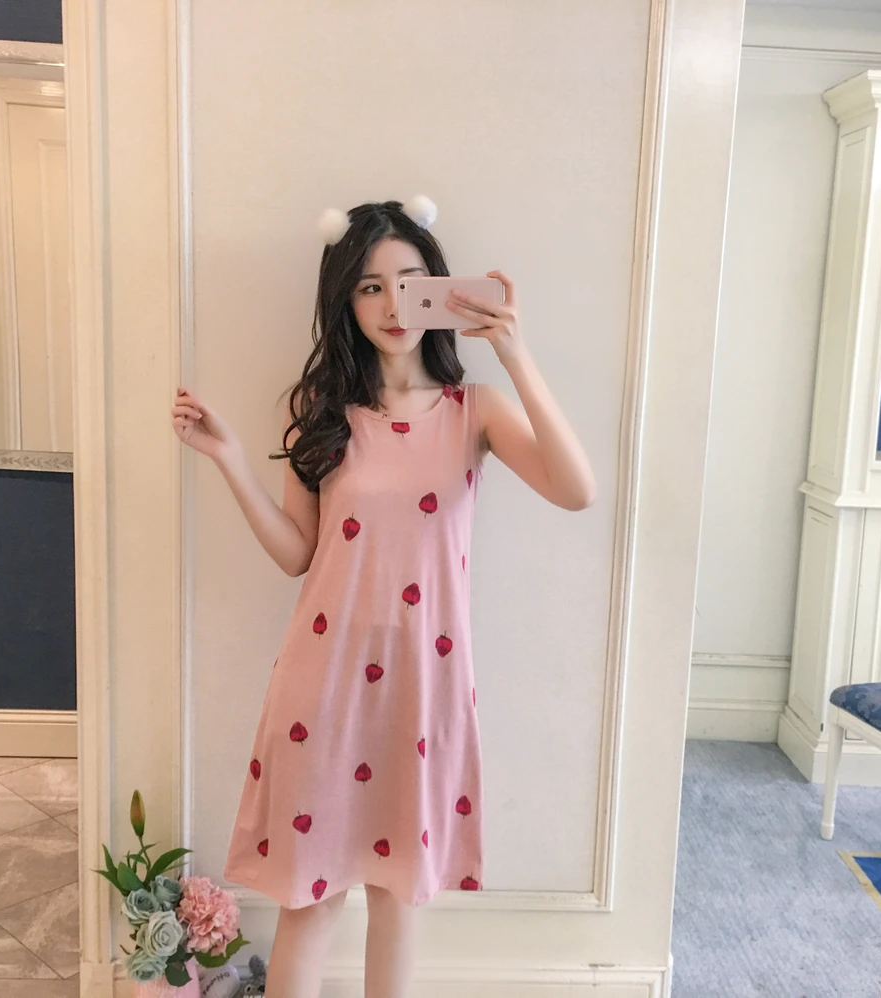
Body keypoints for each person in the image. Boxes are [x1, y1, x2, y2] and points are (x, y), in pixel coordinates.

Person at [170, 195, 595, 998]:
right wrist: (230, 459)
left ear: (441, 288)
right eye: (370, 286)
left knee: (399, 898)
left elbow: (577, 491)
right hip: (322, 685)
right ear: (345, 300)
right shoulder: (320, 414)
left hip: (423, 690)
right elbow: (298, 555)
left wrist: (516, 354)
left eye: (409, 282)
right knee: (310, 902)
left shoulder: (475, 413)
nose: (393, 304)